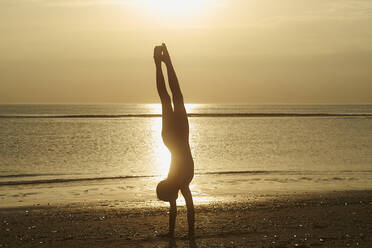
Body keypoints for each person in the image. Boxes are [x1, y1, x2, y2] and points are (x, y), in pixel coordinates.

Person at [153, 43, 195, 239]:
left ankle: (162, 63)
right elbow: (187, 208)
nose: (173, 200)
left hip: (175, 138)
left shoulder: (179, 182)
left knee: (171, 98)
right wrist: (189, 233)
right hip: (172, 139)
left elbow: (183, 208)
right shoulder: (180, 183)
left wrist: (179, 233)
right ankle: (162, 62)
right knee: (171, 98)